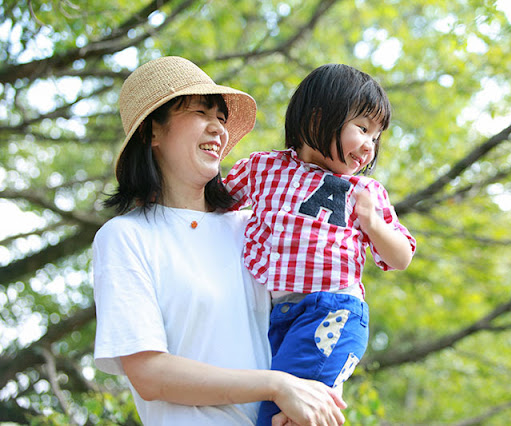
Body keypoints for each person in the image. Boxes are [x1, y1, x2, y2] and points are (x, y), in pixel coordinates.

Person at [92, 56, 346, 426]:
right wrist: (275, 386)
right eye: (201, 112)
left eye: (222, 119)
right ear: (152, 132)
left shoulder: (256, 228)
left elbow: (323, 308)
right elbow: (149, 374)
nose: (219, 130)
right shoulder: (126, 238)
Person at [224, 63, 417, 425]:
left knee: (277, 414)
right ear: (317, 118)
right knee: (287, 411)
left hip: (333, 311)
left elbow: (401, 255)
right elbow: (215, 202)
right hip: (279, 317)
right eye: (362, 128)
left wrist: (372, 224)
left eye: (376, 137)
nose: (369, 146)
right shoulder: (263, 168)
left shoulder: (364, 191)